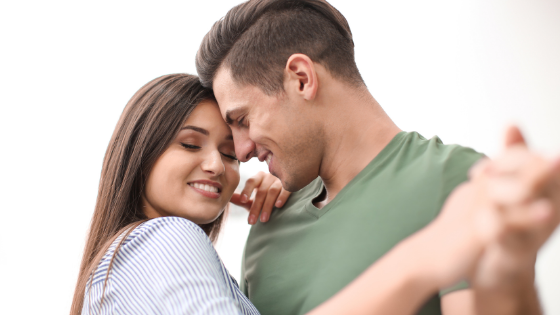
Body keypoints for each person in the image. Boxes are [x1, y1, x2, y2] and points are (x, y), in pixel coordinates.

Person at [69, 73, 559, 315]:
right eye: (189, 144)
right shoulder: (165, 238)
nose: (220, 163)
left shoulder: (126, 262)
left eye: (232, 150)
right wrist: (427, 256)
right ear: (140, 150)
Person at [195, 0, 560, 314]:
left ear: (302, 79)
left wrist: (511, 271)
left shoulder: (457, 181)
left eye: (242, 121)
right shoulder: (268, 222)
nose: (241, 151)